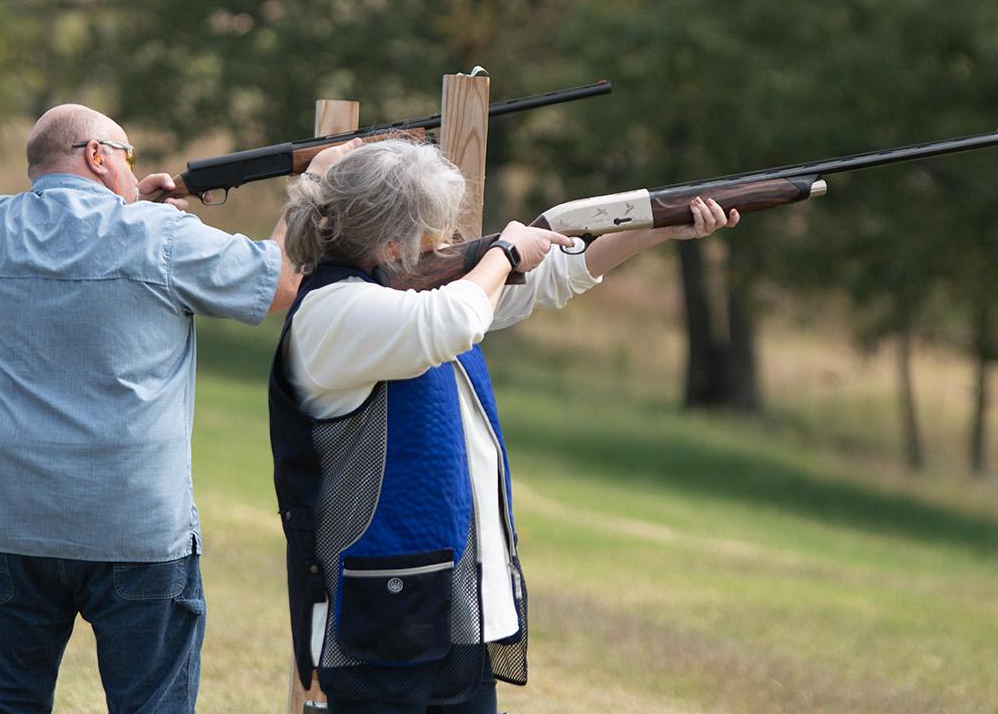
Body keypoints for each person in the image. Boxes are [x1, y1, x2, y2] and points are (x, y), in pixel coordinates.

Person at [268, 140, 737, 713]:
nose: (439, 245)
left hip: (461, 608)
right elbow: (458, 318)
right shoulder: (334, 312)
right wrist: (506, 252)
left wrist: (655, 228)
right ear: (391, 240)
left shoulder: (409, 298)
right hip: (380, 618)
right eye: (429, 232)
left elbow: (550, 280)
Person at [0, 104, 342, 713]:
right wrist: (314, 184)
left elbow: (89, 250)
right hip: (132, 526)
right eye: (126, 156)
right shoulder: (159, 238)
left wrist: (132, 208)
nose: (134, 170)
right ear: (97, 156)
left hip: (4, 519)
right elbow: (280, 283)